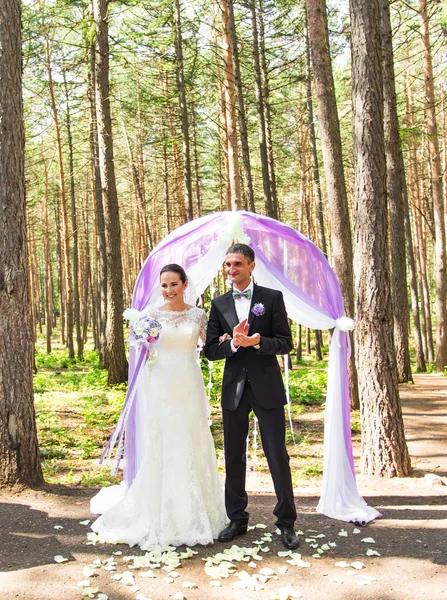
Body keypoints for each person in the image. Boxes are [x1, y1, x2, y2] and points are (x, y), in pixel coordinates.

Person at [91, 264, 226, 549]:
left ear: (185, 284)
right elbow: (143, 348)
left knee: (192, 438)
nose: (168, 291)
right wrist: (143, 342)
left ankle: (198, 512)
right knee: (165, 440)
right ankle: (161, 512)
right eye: (164, 285)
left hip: (190, 383)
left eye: (173, 284)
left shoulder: (198, 314)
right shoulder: (152, 315)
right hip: (163, 384)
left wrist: (225, 339)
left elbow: (209, 346)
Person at [204, 244, 299, 550]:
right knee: (233, 456)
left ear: (251, 266)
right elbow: (210, 350)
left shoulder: (272, 298)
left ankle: (286, 522)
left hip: (267, 386)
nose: (232, 270)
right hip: (233, 389)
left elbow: (286, 342)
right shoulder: (218, 304)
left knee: (277, 455)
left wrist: (260, 342)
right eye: (228, 265)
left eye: (238, 264)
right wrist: (231, 344)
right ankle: (237, 519)